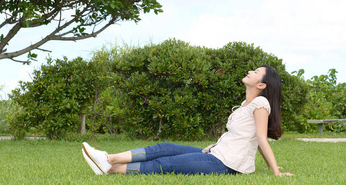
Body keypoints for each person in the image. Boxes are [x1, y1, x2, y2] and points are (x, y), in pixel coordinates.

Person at [82, 65, 293, 177]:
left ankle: (109, 168)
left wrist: (275, 172)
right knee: (164, 148)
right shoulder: (246, 104)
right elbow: (254, 140)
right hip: (214, 154)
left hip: (224, 164)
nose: (250, 71)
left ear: (262, 85)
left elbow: (261, 139)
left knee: (164, 164)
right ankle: (109, 159)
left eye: (255, 72)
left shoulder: (261, 104)